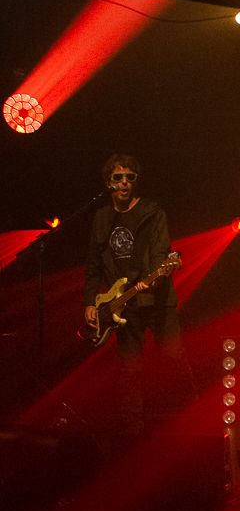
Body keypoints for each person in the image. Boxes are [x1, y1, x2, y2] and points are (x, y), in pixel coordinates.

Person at [84, 154, 193, 436]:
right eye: (118, 177)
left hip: (156, 300)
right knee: (129, 370)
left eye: (130, 177)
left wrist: (154, 278)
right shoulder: (102, 218)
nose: (124, 183)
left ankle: (190, 422)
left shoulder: (151, 212)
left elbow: (161, 251)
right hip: (122, 306)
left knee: (172, 357)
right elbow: (93, 264)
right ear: (108, 182)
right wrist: (90, 302)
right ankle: (132, 432)